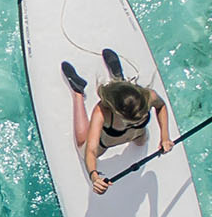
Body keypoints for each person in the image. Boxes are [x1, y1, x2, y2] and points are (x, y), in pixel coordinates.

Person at [62, 48, 172, 193]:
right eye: (130, 121)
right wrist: (94, 176)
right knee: (83, 145)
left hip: (138, 135)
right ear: (115, 111)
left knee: (141, 142)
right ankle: (78, 93)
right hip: (106, 142)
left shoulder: (149, 96)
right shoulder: (102, 112)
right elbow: (91, 150)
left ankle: (119, 79)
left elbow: (161, 106)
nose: (134, 123)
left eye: (139, 118)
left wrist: (165, 137)